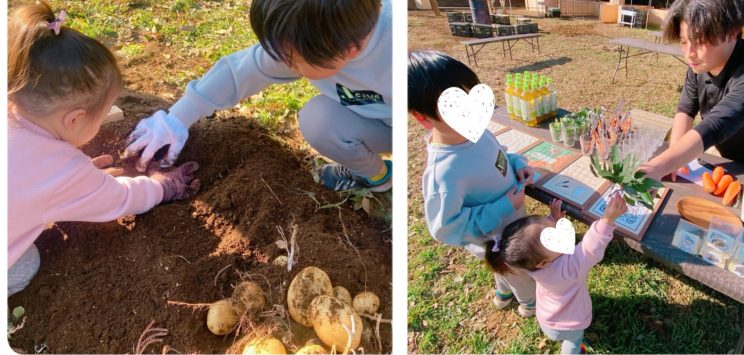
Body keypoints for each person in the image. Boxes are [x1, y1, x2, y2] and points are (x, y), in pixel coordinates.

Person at [7, 2, 199, 296]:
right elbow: (122, 199)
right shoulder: (61, 170)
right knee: (26, 262)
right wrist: (164, 187)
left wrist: (73, 186)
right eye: (104, 112)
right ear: (75, 119)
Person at [124, 0, 391, 193]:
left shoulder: (394, 52)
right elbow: (242, 71)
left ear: (349, 50)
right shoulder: (312, 36)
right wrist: (177, 118)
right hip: (369, 120)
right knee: (318, 119)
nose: (281, 62)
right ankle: (378, 176)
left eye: (291, 60)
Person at [409, 49, 538, 317]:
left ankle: (503, 294)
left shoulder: (476, 132)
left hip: (512, 224)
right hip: (495, 237)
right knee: (520, 272)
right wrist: (504, 206)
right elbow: (445, 227)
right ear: (422, 117)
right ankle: (530, 305)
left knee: (505, 269)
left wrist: (517, 165)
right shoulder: (444, 173)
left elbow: (500, 154)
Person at [637, 0, 744, 181]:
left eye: (700, 41)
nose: (689, 53)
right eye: (684, 41)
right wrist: (673, 161)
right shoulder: (700, 64)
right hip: (724, 150)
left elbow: (715, 126)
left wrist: (657, 167)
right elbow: (686, 108)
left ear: (731, 33)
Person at [485, 191, 626, 354]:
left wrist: (554, 218)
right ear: (543, 262)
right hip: (571, 324)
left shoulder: (532, 265)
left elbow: (536, 239)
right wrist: (607, 220)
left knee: (566, 337)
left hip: (547, 318)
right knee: (573, 341)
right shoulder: (569, 269)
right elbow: (589, 248)